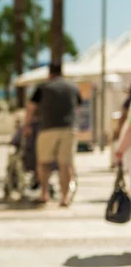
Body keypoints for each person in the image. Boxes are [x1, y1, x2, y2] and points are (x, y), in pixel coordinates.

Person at [24, 63, 81, 207]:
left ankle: (44, 194)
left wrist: (27, 125)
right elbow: (78, 107)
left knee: (43, 162)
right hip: (68, 128)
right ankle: (65, 198)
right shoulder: (73, 87)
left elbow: (31, 107)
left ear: (49, 74)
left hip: (48, 128)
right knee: (65, 164)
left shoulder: (43, 87)